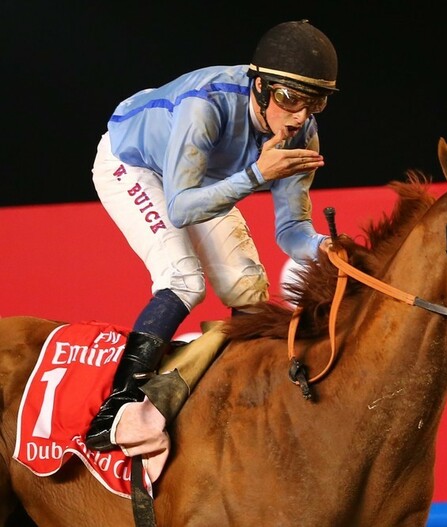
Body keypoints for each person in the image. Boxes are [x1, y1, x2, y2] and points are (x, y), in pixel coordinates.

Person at [85, 20, 338, 451]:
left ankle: (243, 392)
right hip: (134, 164)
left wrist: (322, 246)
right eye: (289, 98)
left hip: (195, 178)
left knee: (248, 287)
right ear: (260, 87)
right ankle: (116, 410)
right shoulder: (206, 103)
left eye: (313, 103)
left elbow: (292, 230)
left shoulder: (303, 132)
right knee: (183, 279)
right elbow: (181, 209)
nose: (299, 116)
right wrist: (257, 174)